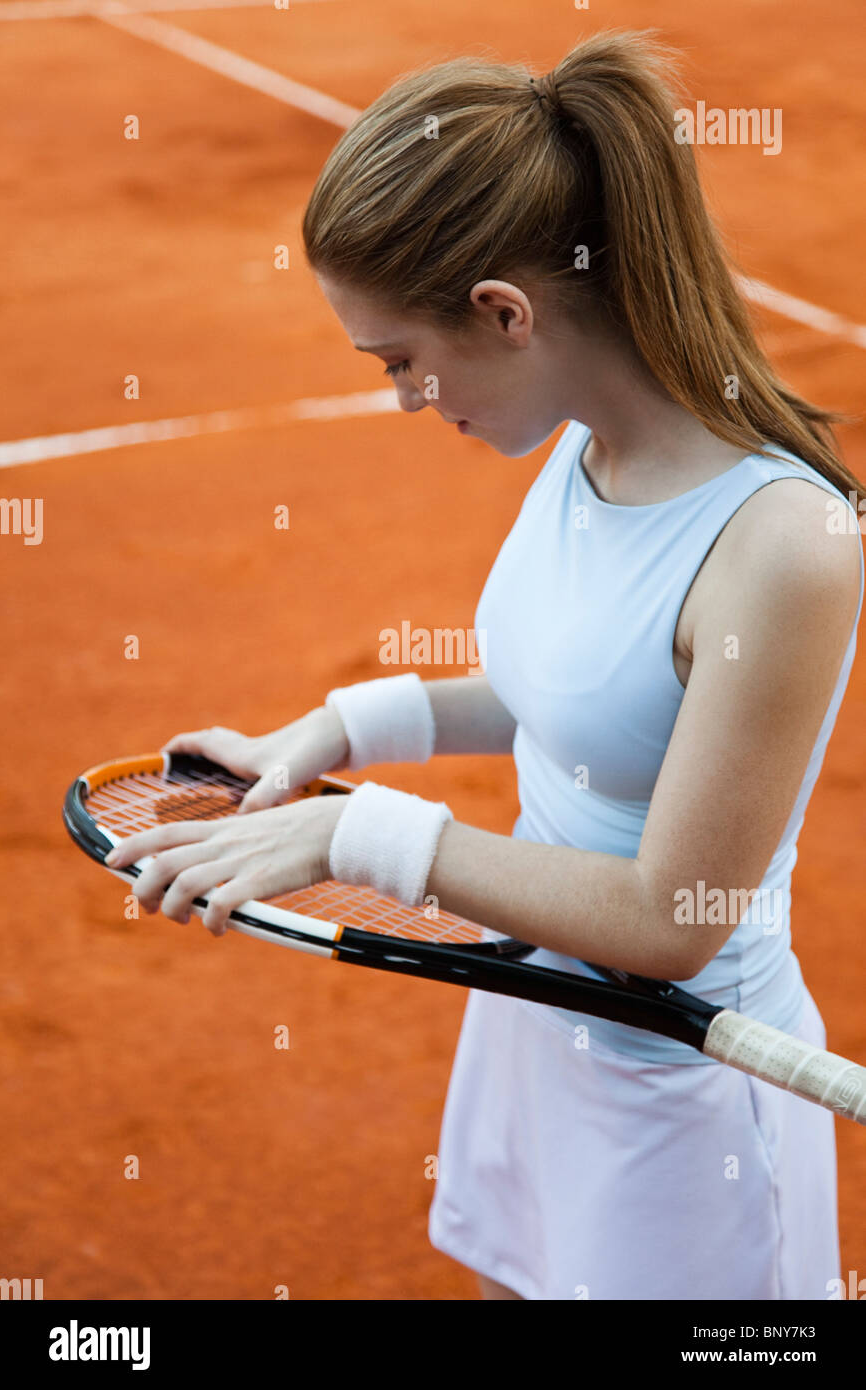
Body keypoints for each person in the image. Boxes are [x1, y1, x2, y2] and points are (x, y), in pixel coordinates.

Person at [107, 31, 864, 1299]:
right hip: (532, 1018)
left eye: (400, 361)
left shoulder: (786, 550)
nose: (405, 398)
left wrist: (358, 841)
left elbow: (671, 920)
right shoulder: (585, 449)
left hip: (678, 1092)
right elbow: (568, 697)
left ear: (506, 313)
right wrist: (324, 741)